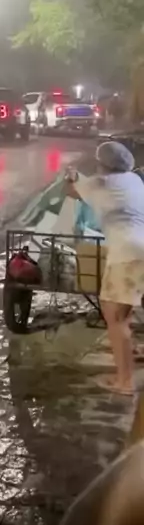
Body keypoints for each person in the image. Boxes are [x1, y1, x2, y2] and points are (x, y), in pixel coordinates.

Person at [66, 141, 144, 396]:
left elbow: (72, 192)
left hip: (127, 255)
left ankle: (125, 382)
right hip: (140, 250)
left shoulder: (100, 184)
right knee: (124, 311)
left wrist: (71, 176)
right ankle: (130, 359)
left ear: (103, 164)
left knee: (114, 316)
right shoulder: (133, 180)